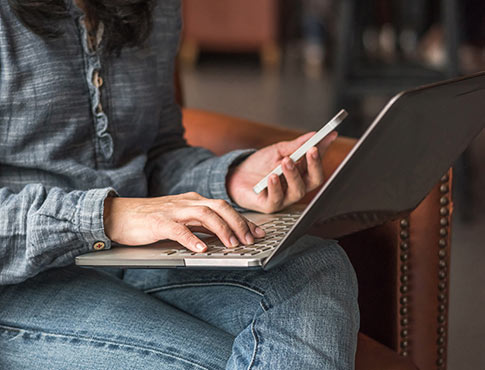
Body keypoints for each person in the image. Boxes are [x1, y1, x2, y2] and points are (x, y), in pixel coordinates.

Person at [0, 0, 359, 369]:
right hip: (23, 284)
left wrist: (232, 178)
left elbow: (158, 153)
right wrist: (107, 217)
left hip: (135, 259)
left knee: (319, 268)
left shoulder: (156, 6)